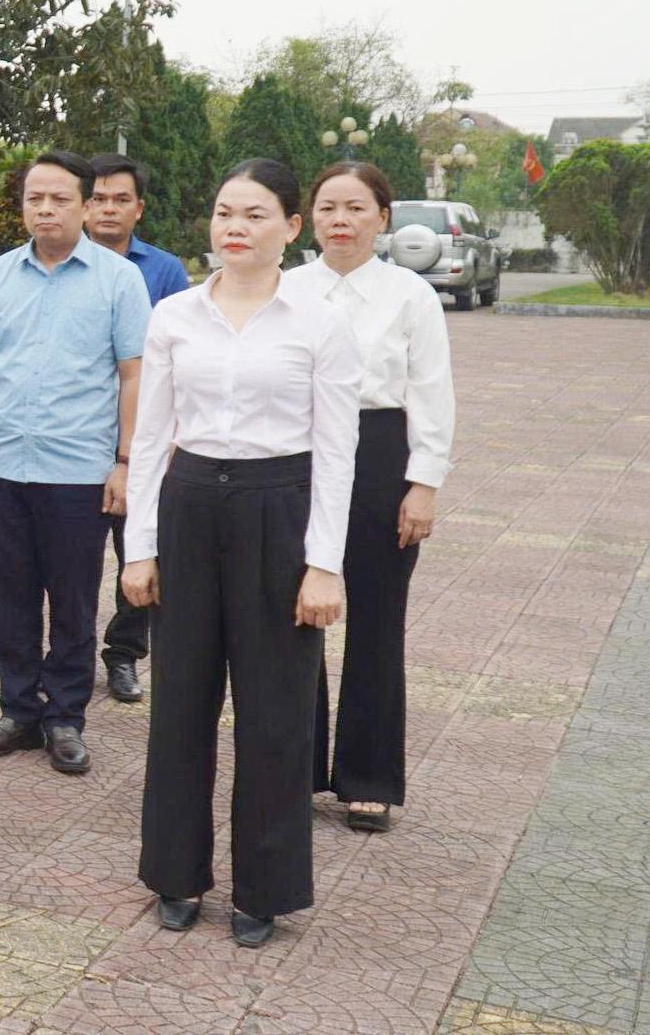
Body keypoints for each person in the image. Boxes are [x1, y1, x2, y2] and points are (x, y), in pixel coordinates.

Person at [123, 158, 362, 947]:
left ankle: (265, 887)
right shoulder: (176, 316)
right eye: (225, 212)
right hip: (191, 506)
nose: (236, 227)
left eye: (256, 215)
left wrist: (323, 563)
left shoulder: (319, 322)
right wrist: (140, 548)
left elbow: (337, 451)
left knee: (274, 712)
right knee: (182, 701)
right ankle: (176, 874)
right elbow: (152, 437)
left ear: (291, 228)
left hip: (279, 510)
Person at [0, 151, 150, 776]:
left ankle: (65, 715)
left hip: (78, 471)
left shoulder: (118, 281)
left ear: (86, 205)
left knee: (71, 601)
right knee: (9, 595)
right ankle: (17, 708)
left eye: (59, 198)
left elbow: (133, 374)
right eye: (34, 198)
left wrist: (124, 462)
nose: (44, 208)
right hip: (6, 466)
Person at [297, 162, 454, 833]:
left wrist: (423, 483)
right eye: (328, 206)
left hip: (379, 450)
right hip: (296, 452)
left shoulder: (408, 294)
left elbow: (432, 392)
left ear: (383, 218)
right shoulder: (287, 288)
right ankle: (297, 766)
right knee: (292, 613)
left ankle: (368, 778)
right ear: (308, 218)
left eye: (356, 207)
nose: (342, 219)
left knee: (377, 619)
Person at [83, 153, 194, 702]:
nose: (108, 209)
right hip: (77, 436)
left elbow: (179, 358)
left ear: (139, 208)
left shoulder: (165, 271)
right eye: (99, 198)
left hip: (145, 439)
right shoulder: (63, 265)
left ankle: (124, 653)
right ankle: (70, 656)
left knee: (140, 551)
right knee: (73, 559)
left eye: (120, 199)